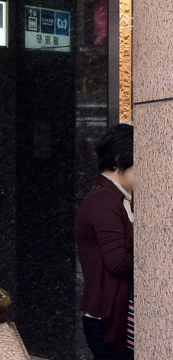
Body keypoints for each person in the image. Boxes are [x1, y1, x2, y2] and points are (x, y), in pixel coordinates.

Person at [75, 124, 134, 359]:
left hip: (115, 315)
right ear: (119, 160)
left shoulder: (117, 197)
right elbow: (117, 262)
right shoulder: (103, 201)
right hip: (104, 320)